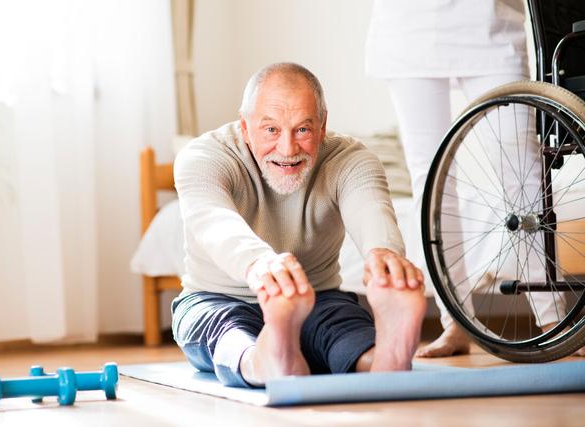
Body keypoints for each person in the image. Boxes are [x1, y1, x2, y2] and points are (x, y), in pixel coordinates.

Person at [172, 62, 426, 387]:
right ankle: (265, 360)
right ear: (245, 127)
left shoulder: (350, 159)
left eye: (303, 130)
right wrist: (260, 266)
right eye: (271, 130)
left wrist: (384, 258)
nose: (288, 149)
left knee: (342, 328)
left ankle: (385, 359)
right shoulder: (203, 156)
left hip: (317, 298)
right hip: (217, 297)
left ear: (322, 127)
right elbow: (213, 221)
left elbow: (370, 207)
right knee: (228, 334)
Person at [366, 0, 584, 357]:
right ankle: (455, 324)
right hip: (406, 28)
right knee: (431, 178)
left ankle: (552, 321)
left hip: (490, 22)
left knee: (524, 170)